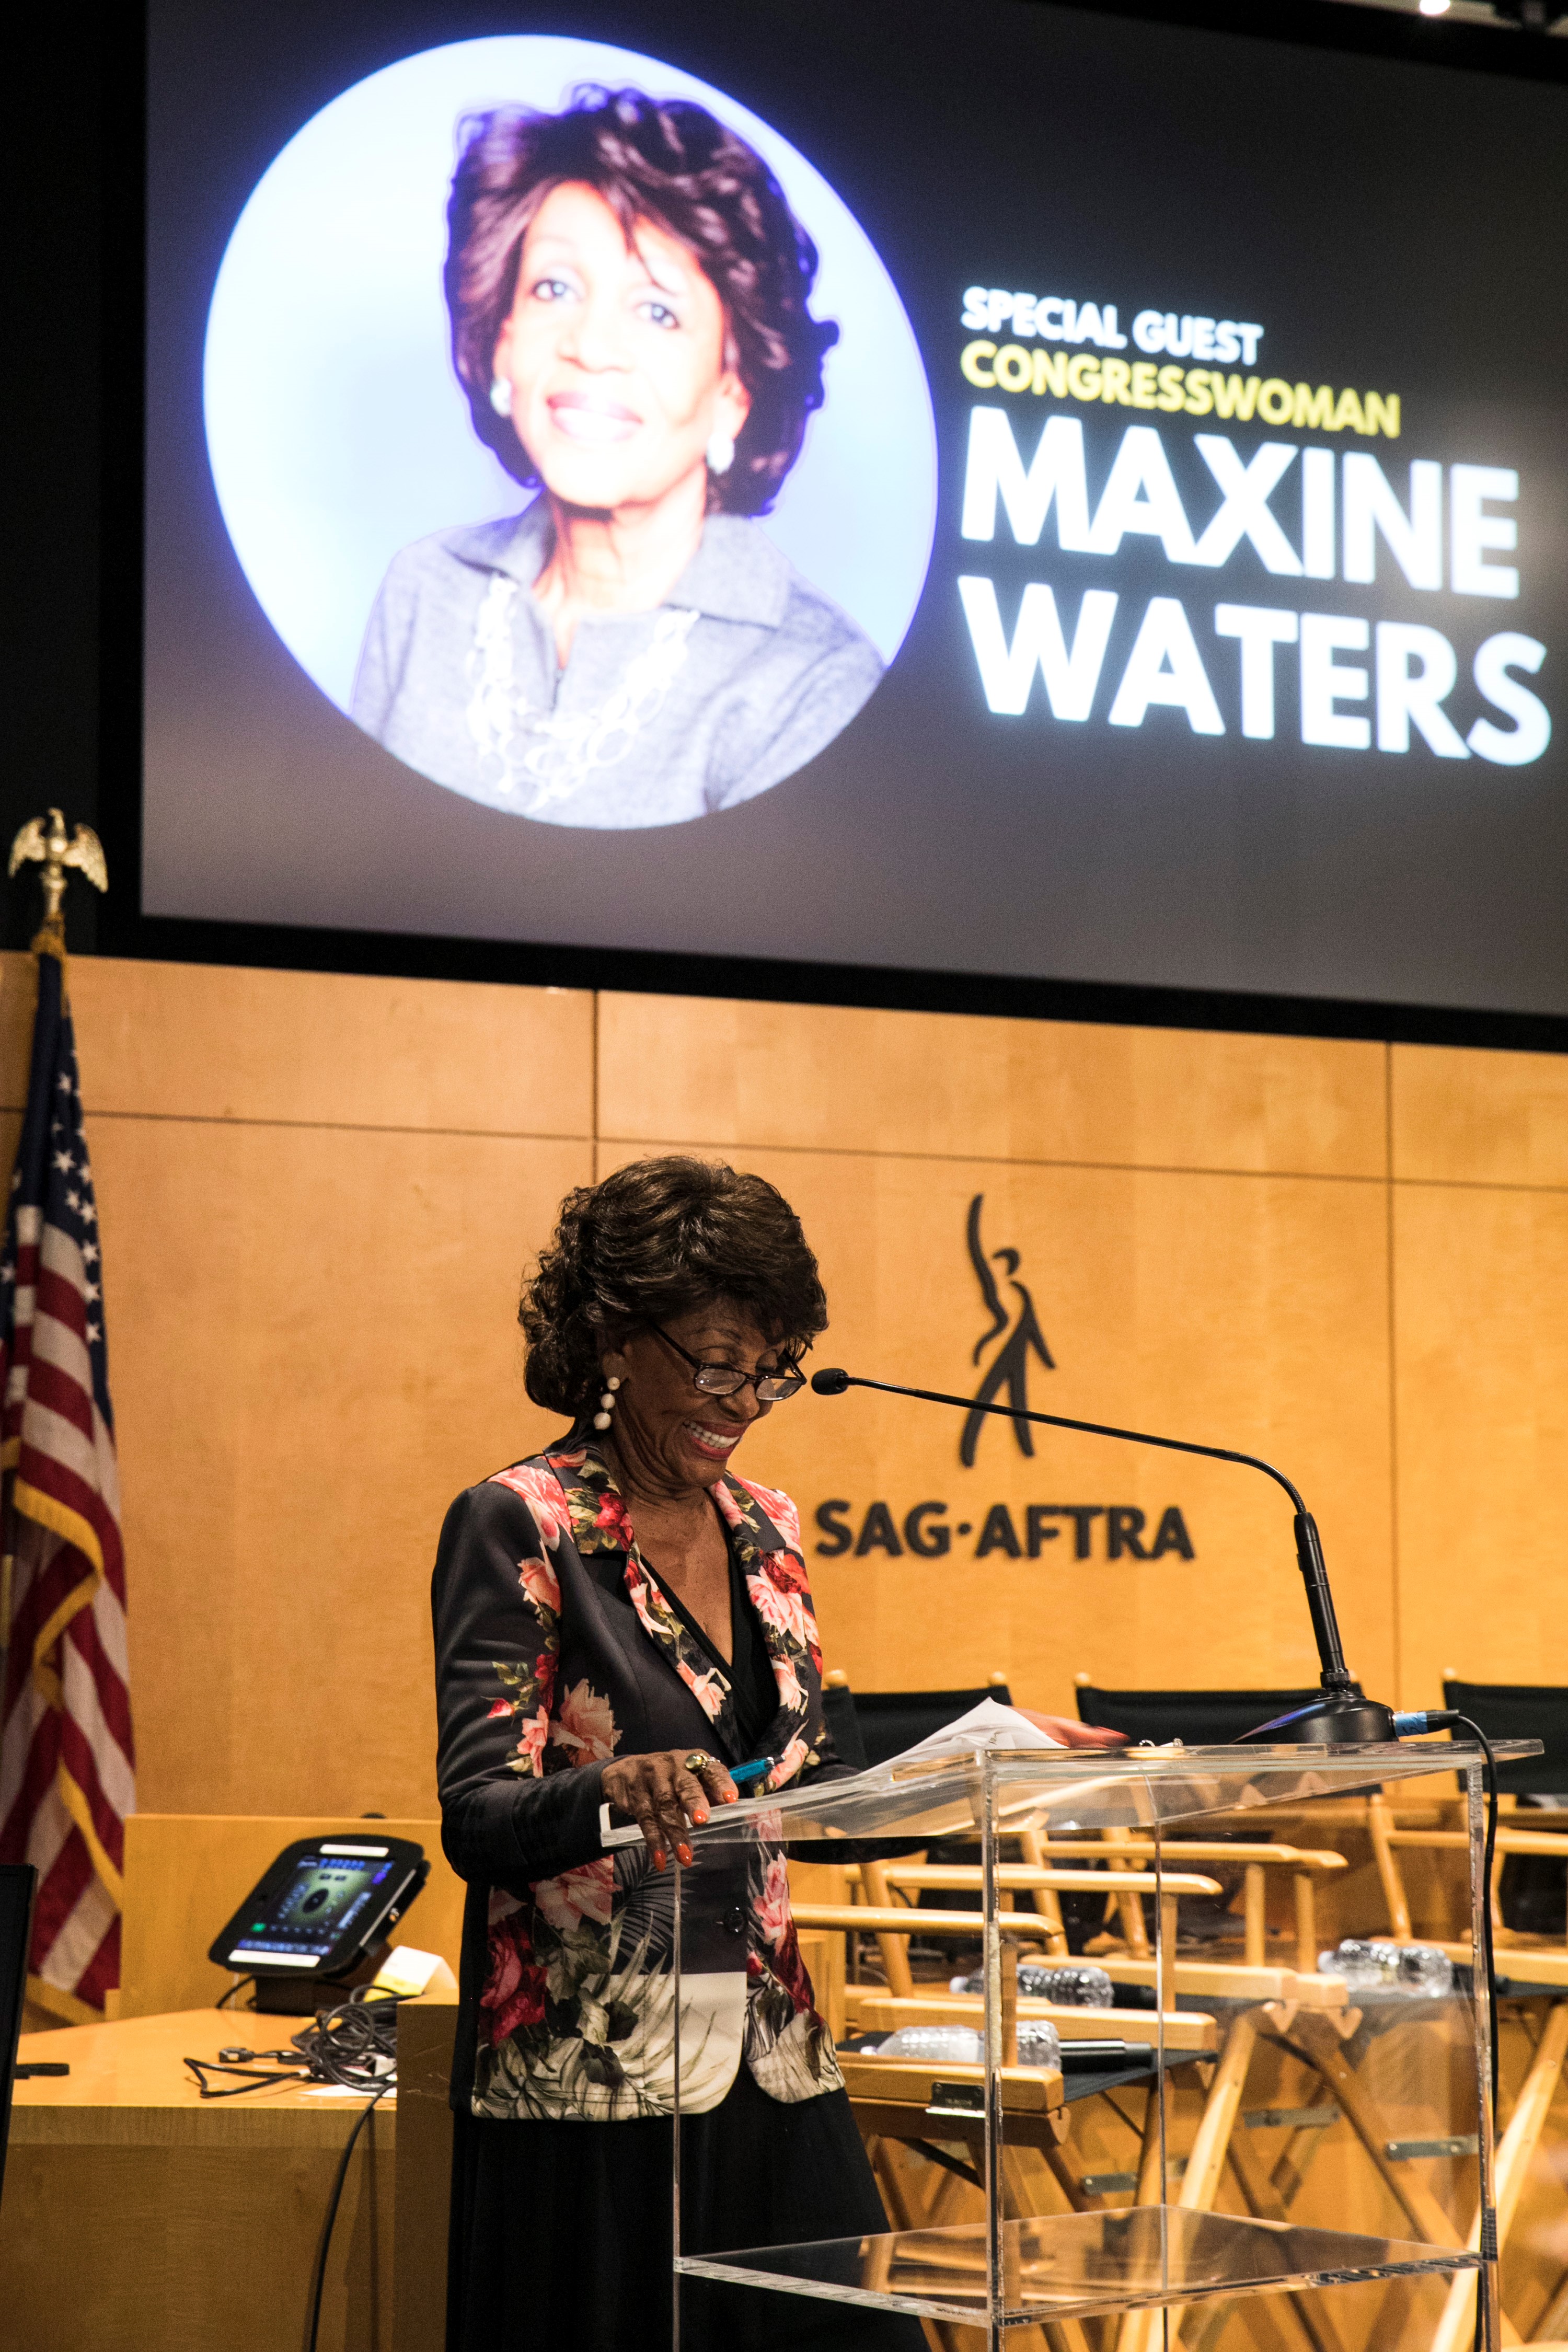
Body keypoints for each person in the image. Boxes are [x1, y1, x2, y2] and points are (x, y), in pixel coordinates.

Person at [433, 1155, 1123, 2348]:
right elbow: (478, 1815)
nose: (743, 1400)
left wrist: (982, 1770)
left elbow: (807, 1798)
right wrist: (612, 1786)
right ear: (612, 1339)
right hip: (593, 2077)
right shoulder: (521, 1521)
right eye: (714, 1362)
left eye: (769, 1371)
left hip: (775, 2051)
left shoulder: (770, 1529)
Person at [354, 88, 884, 828]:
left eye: (658, 310)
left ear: (735, 391)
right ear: (503, 339)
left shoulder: (815, 683)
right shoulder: (423, 591)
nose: (591, 347)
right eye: (554, 288)